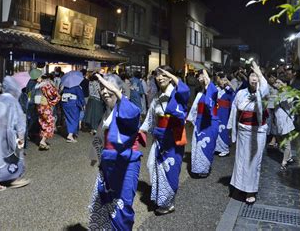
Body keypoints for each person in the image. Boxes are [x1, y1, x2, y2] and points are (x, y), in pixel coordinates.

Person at [88, 74, 144, 229]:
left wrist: (119, 94)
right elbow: (100, 136)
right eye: (102, 88)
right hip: (108, 163)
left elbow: (134, 114)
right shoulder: (107, 111)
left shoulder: (126, 107)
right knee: (106, 201)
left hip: (126, 164)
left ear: (120, 89)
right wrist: (96, 158)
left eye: (109, 88)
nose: (104, 92)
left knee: (122, 205)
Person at [140, 66, 190, 215]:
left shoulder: (177, 94)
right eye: (157, 75)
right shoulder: (157, 97)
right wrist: (142, 130)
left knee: (170, 169)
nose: (160, 78)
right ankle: (161, 198)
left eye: (163, 75)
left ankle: (168, 202)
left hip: (173, 138)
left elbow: (185, 90)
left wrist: (169, 73)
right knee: (152, 166)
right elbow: (150, 117)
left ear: (170, 77)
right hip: (159, 137)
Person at [227, 61, 270, 205]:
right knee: (240, 159)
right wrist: (232, 131)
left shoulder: (263, 92)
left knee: (253, 161)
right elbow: (234, 112)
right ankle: (239, 186)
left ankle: (250, 190)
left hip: (257, 132)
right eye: (252, 75)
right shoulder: (241, 93)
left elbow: (263, 87)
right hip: (243, 130)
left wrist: (259, 72)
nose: (254, 78)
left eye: (257, 76)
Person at [0, 76, 30, 193]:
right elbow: (19, 120)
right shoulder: (12, 102)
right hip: (8, 135)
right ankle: (14, 179)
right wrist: (21, 136)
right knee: (14, 157)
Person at [191, 69, 220, 177]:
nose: (199, 78)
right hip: (199, 120)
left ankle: (204, 169)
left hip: (209, 122)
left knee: (207, 145)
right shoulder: (199, 91)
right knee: (197, 145)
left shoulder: (213, 89)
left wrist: (208, 80)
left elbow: (210, 102)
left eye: (201, 76)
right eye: (198, 77)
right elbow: (195, 107)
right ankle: (197, 168)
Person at [271, 78, 295, 170]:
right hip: (279, 121)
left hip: (286, 121)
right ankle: (289, 157)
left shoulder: (287, 94)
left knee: (286, 143)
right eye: (276, 82)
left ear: (284, 83)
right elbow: (271, 106)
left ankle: (284, 161)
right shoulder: (275, 93)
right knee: (282, 140)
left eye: (279, 82)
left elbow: (291, 104)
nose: (276, 84)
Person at [36, 74, 61, 150]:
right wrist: (52, 102)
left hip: (39, 106)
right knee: (50, 123)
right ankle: (43, 141)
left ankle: (42, 140)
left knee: (43, 123)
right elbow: (56, 95)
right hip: (46, 106)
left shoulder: (38, 86)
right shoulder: (47, 85)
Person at [215, 72, 236, 157]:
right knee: (216, 129)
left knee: (223, 129)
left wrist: (229, 84)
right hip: (216, 110)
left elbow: (234, 96)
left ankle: (225, 149)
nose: (222, 81)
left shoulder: (228, 89)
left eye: (224, 80)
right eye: (220, 79)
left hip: (224, 112)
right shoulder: (216, 88)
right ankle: (217, 148)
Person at [61, 78, 85, 143]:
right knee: (74, 119)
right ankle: (70, 134)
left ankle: (71, 132)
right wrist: (83, 104)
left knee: (68, 118)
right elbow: (81, 97)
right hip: (73, 104)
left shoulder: (65, 87)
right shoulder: (77, 87)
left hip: (65, 104)